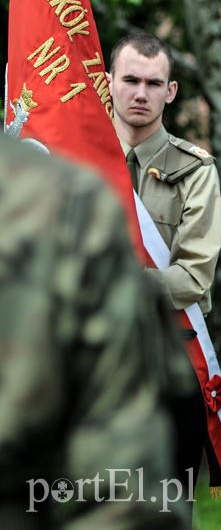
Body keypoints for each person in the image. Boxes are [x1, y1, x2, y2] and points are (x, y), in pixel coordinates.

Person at [0, 134, 190, 529]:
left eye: (153, 83)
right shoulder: (64, 201)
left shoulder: (62, 205)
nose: (140, 94)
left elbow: (124, 487)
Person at [107, 32, 221, 498]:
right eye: (130, 79)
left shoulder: (195, 170)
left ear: (170, 92)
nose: (140, 93)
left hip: (168, 359)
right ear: (107, 81)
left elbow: (194, 275)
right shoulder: (74, 163)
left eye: (154, 83)